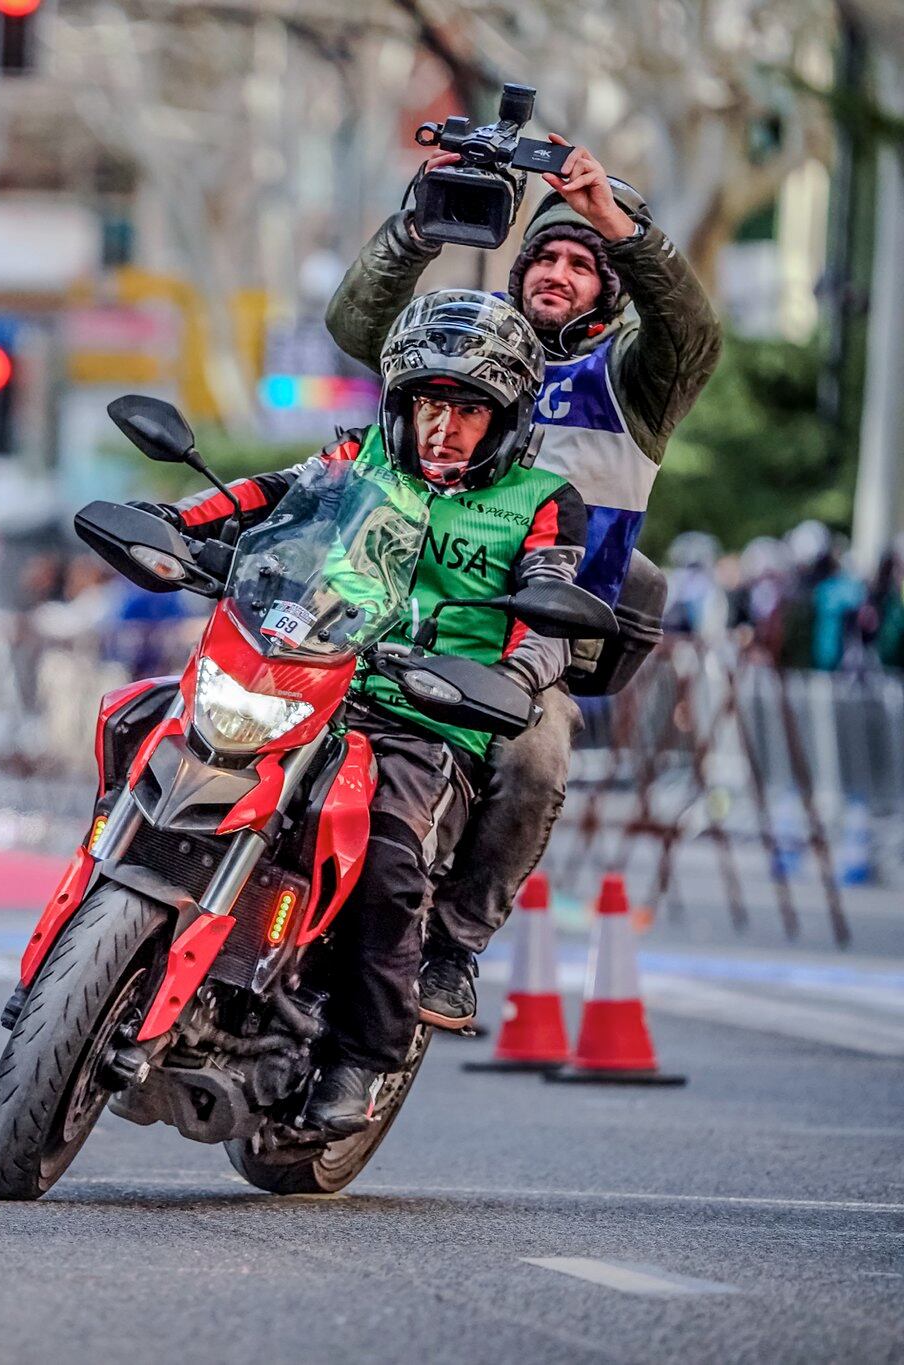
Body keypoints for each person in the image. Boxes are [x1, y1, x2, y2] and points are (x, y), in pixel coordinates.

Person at [153, 291, 586, 1132]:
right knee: (148, 725)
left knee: (388, 854)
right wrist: (173, 522)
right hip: (310, 680)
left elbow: (549, 611)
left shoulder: (542, 497)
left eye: (469, 409)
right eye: (430, 402)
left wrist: (512, 680)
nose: (444, 426)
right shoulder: (358, 459)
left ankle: (362, 1056)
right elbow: (264, 497)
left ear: (506, 417)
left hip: (431, 716)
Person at [325, 136, 721, 1028]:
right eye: (545, 252)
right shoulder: (453, 343)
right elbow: (356, 329)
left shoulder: (635, 377)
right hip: (385, 616)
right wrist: (416, 228)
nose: (560, 270)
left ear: (608, 286)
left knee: (536, 757)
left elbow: (694, 331)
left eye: (583, 263)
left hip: (523, 649)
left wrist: (611, 219)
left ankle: (456, 945)